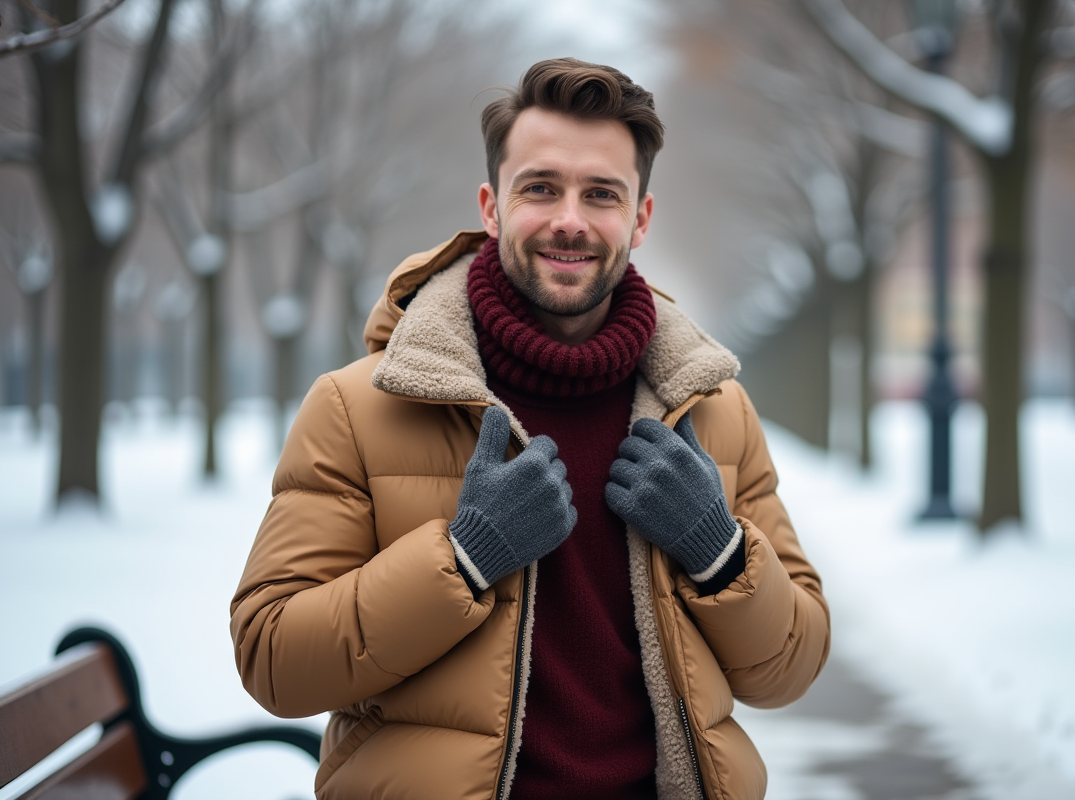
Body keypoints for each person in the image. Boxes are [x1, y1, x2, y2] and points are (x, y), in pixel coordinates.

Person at [231, 57, 830, 800]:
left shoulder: (710, 409)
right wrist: (465, 557)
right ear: (491, 206)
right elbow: (274, 660)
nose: (569, 219)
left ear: (640, 219)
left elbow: (792, 665)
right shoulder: (357, 408)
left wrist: (719, 552)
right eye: (540, 188)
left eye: (601, 194)